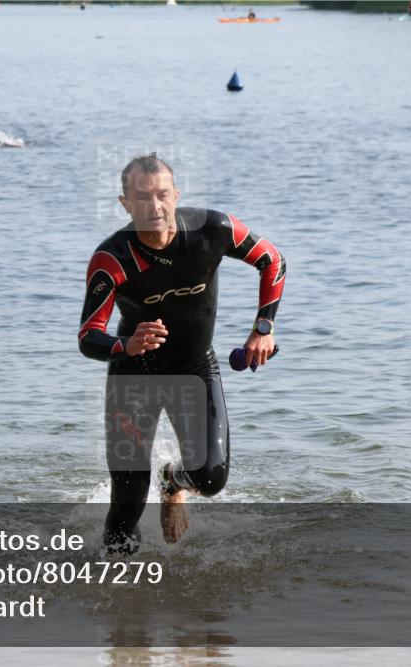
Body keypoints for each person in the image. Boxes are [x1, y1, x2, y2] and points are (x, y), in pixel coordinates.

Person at [78, 154, 285, 553]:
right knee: (128, 502)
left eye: (162, 195)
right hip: (134, 376)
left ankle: (173, 482)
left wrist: (263, 328)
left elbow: (271, 260)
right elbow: (89, 336)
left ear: (176, 195)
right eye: (141, 198)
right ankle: (122, 601)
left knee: (211, 477)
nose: (154, 207)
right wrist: (126, 345)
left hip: (193, 368)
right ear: (125, 204)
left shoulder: (212, 229)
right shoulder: (112, 259)